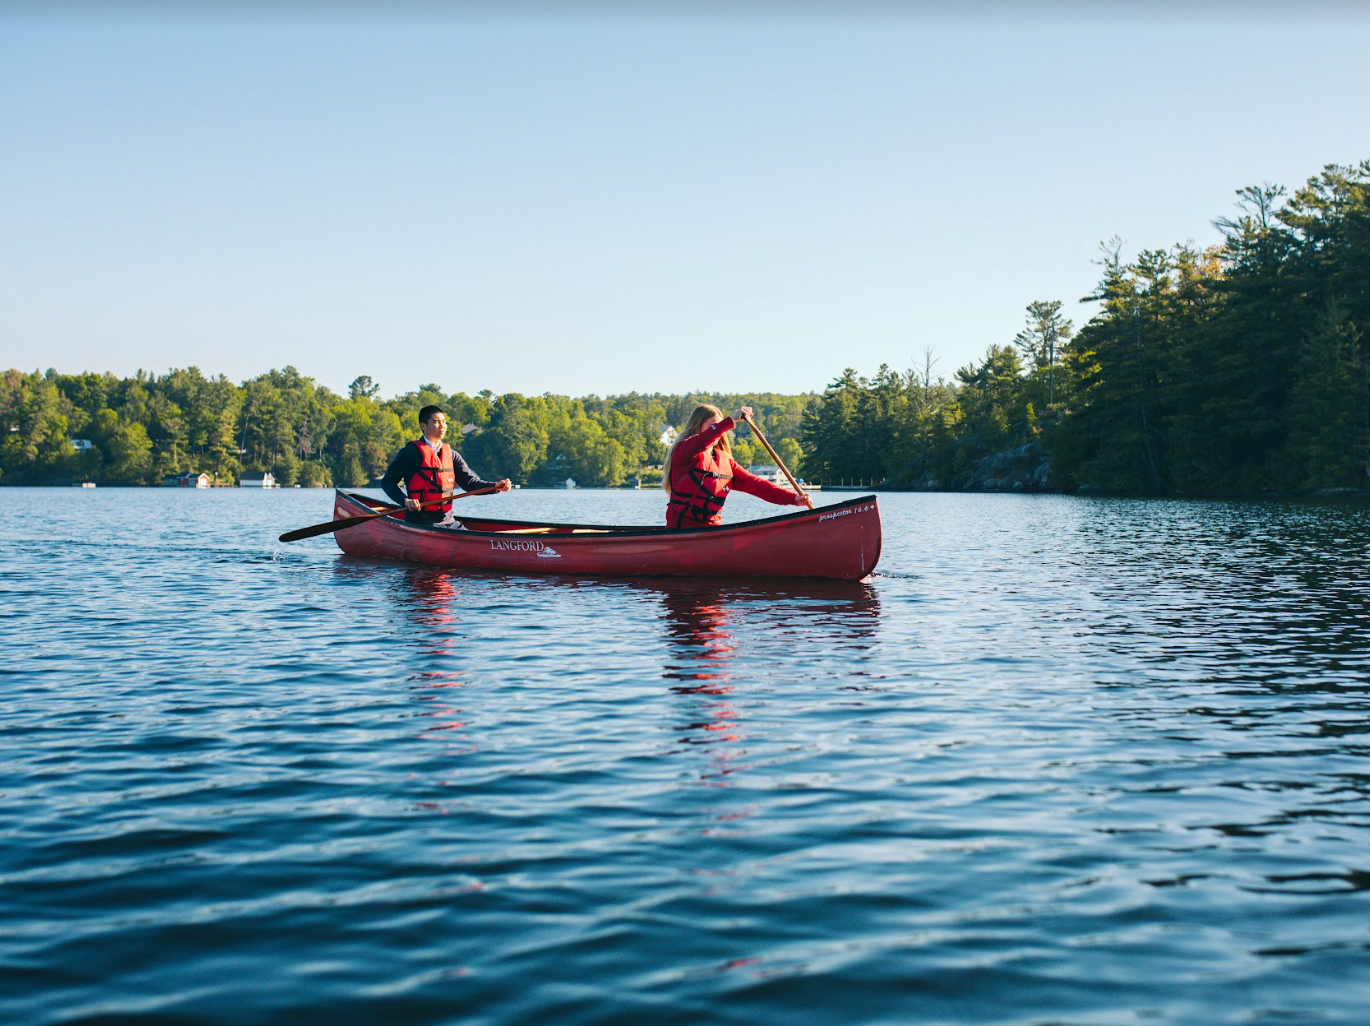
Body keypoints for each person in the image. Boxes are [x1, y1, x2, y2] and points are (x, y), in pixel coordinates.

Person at [663, 404, 811, 529]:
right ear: (697, 426)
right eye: (712, 427)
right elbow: (701, 441)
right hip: (681, 530)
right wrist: (731, 420)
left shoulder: (726, 462)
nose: (719, 432)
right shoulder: (682, 452)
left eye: (718, 427)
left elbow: (757, 485)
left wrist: (794, 499)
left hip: (712, 532)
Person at [380, 405, 511, 526]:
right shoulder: (410, 453)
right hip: (420, 522)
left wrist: (495, 487)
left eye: (444, 421)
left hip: (448, 520)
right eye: (436, 422)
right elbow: (388, 482)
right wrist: (405, 500)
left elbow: (470, 483)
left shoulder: (452, 455)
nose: (442, 426)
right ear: (423, 426)